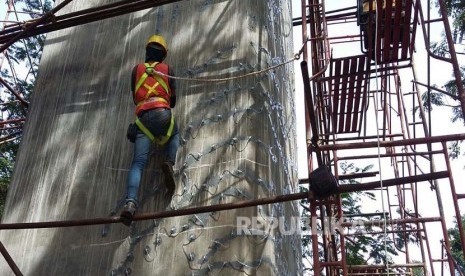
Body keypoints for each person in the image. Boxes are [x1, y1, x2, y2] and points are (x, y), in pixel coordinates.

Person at [120, 34, 179, 225]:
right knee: (174, 132)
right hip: (163, 114)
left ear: (147, 52)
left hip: (143, 119)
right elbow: (173, 101)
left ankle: (130, 203)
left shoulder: (136, 70)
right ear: (163, 54)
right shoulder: (167, 70)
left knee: (138, 162)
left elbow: (135, 97)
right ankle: (169, 161)